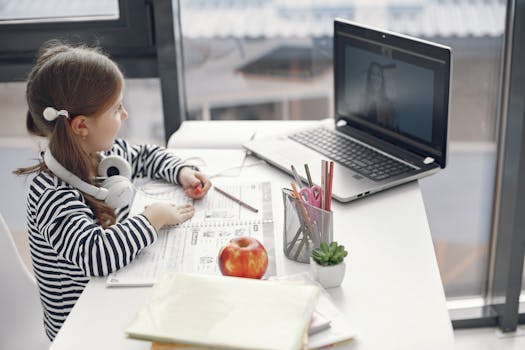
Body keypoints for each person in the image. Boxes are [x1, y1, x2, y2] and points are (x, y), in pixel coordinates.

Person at [14, 41, 212, 340]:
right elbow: (96, 255)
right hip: (80, 327)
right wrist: (152, 218)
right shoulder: (51, 194)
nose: (126, 115)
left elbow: (145, 154)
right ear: (81, 126)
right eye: (117, 109)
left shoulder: (102, 153)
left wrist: (181, 171)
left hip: (109, 295)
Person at [359, 61, 397, 129]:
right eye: (373, 74)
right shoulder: (362, 99)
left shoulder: (389, 105)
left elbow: (391, 130)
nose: (376, 78)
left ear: (382, 79)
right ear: (369, 77)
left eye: (378, 75)